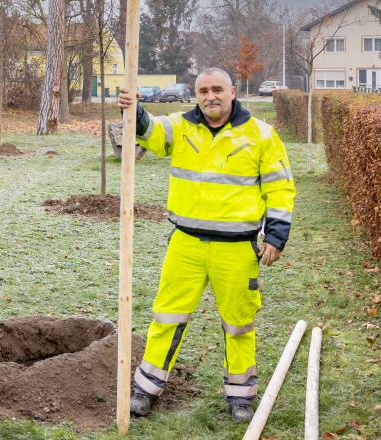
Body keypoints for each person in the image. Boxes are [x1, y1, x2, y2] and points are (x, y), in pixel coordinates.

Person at [117, 67, 297, 422]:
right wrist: (133, 109)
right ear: (195, 95)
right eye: (203, 91)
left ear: (232, 91)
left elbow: (280, 188)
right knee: (166, 316)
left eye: (217, 89)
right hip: (187, 244)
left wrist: (275, 236)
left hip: (237, 249)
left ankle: (240, 395)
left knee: (238, 323)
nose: (210, 96)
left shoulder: (261, 135)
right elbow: (150, 132)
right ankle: (145, 389)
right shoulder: (181, 127)